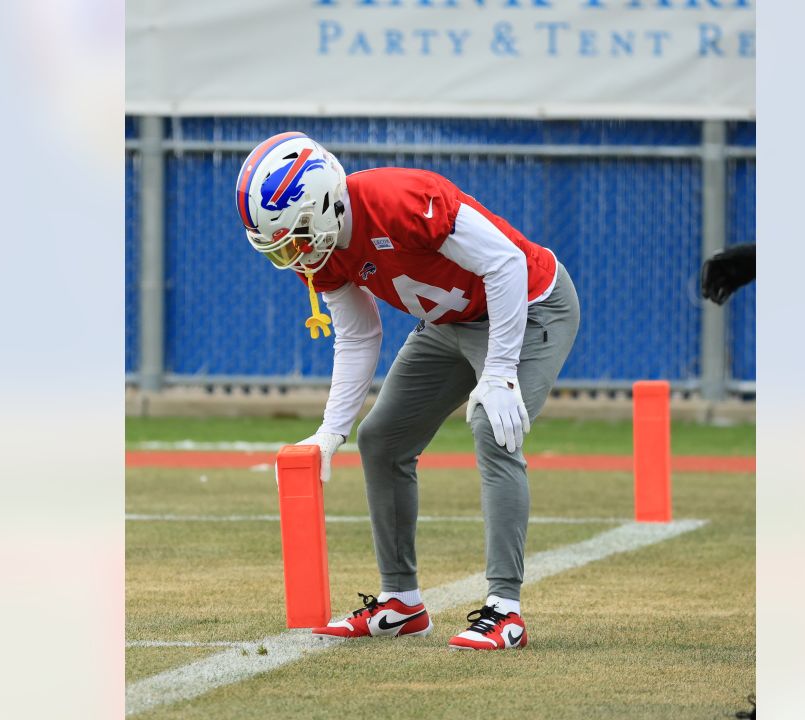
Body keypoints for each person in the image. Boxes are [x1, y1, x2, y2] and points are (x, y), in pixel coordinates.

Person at [235, 132, 580, 650]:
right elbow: (357, 334)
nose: (297, 252)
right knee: (381, 440)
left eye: (299, 234)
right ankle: (402, 602)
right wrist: (331, 432)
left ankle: (505, 609)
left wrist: (502, 370)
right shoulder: (326, 251)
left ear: (327, 200)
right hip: (449, 323)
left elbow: (505, 263)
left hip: (529, 308)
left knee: (493, 427)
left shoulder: (401, 198)